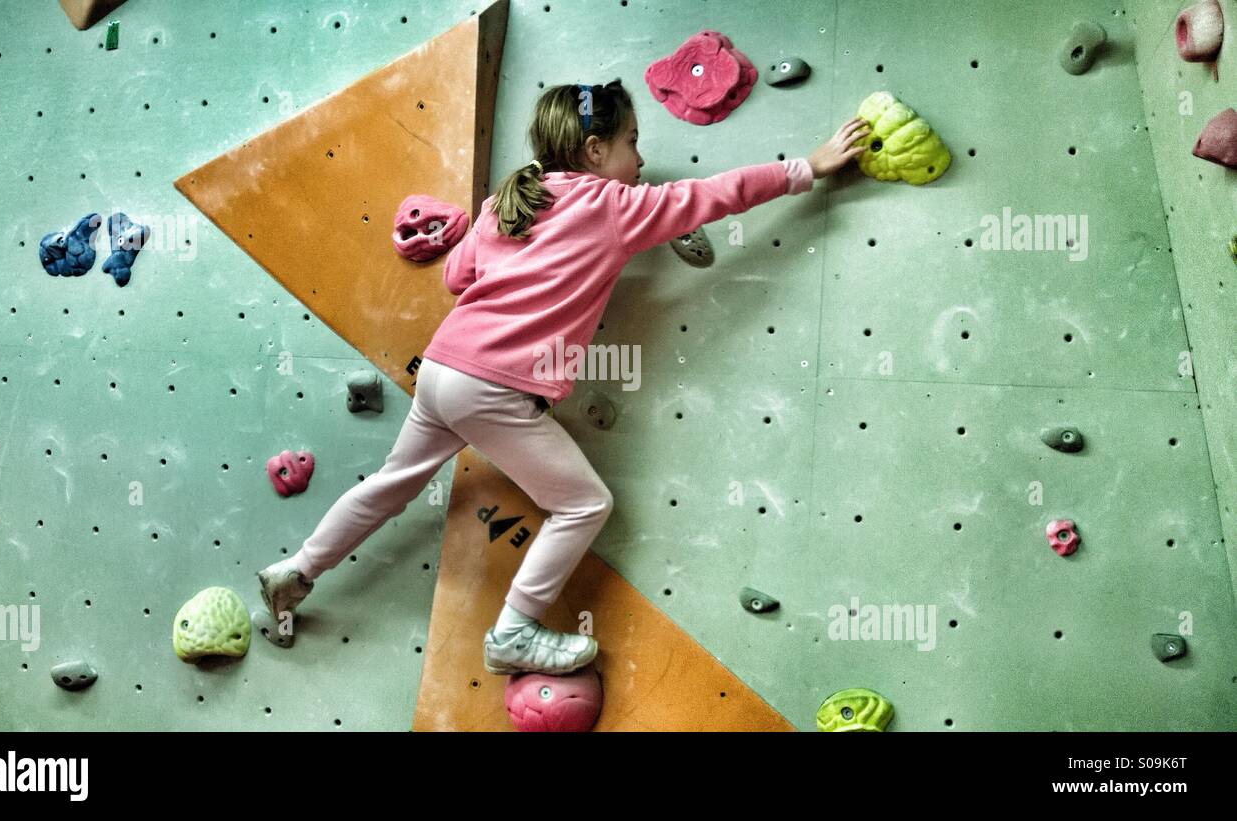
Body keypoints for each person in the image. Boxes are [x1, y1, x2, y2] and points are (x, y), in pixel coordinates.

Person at [258, 79, 869, 676]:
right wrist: (807, 167)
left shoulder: (508, 201)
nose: (641, 156)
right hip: (492, 386)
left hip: (443, 369)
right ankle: (513, 633)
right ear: (596, 150)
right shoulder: (613, 206)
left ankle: (298, 570)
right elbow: (716, 194)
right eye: (632, 139)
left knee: (392, 484)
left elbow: (456, 281)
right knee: (583, 504)